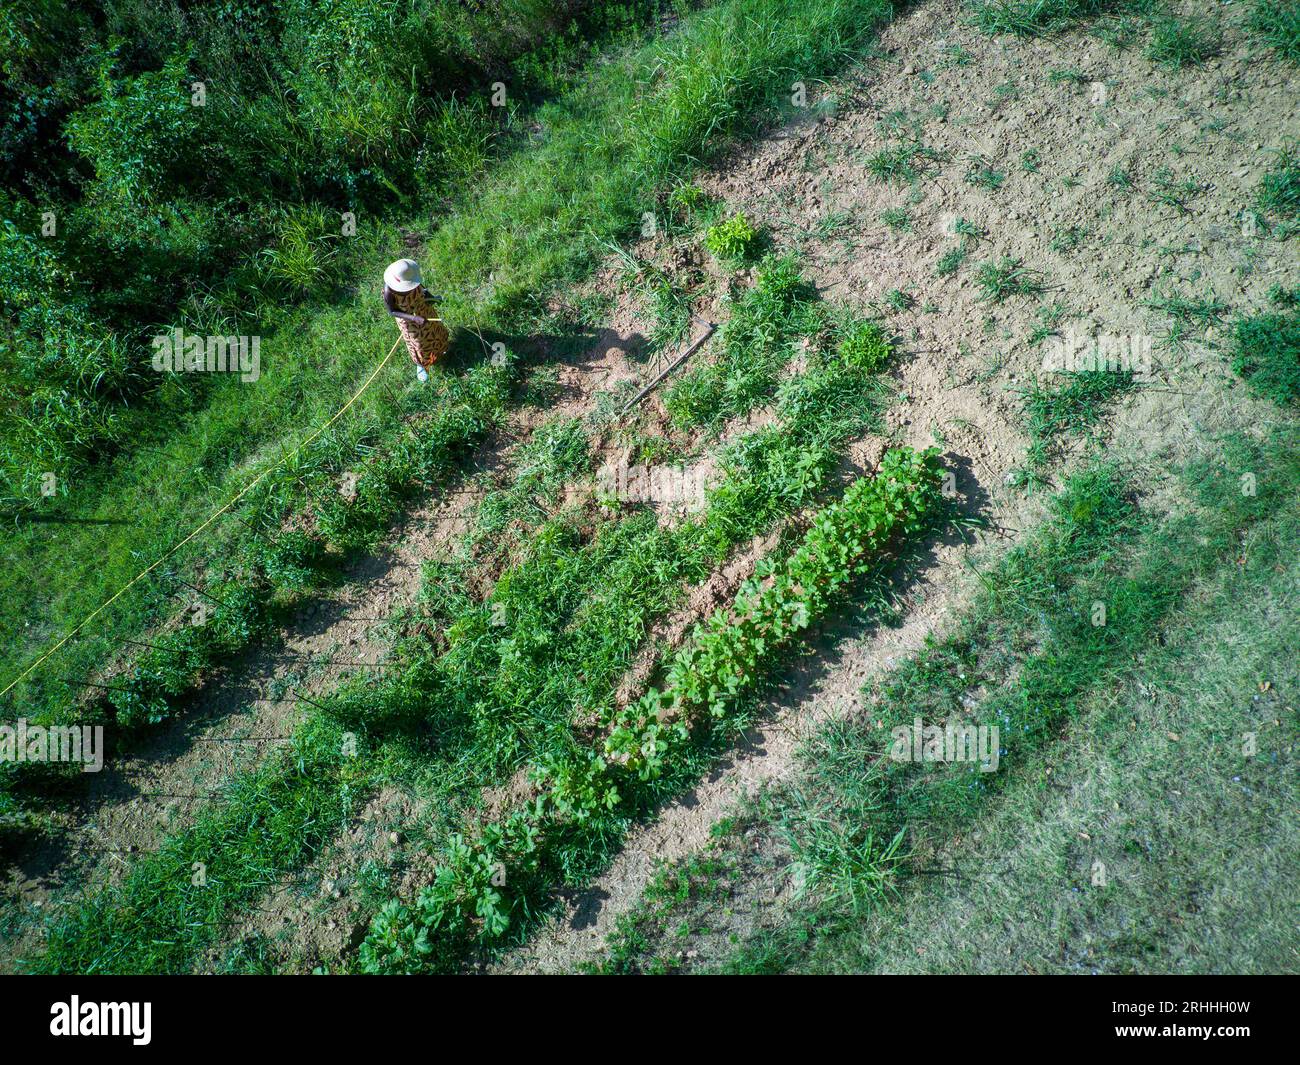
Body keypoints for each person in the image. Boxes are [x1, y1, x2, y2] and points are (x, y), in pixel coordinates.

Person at [383, 258, 449, 382]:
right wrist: (413, 318)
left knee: (435, 330)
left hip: (424, 311)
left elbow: (422, 290)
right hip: (409, 321)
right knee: (419, 344)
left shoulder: (412, 279)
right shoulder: (389, 292)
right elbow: (392, 311)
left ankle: (441, 349)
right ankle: (422, 366)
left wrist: (433, 298)